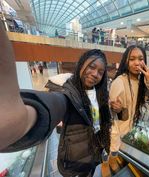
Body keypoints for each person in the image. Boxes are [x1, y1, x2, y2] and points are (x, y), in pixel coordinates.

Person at [0, 23, 112, 177]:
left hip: (95, 154)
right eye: (91, 67)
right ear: (81, 65)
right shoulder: (68, 92)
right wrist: (28, 117)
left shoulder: (99, 93)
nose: (95, 74)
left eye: (100, 72)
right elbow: (56, 103)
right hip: (74, 161)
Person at [103, 45, 149, 174]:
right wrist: (115, 108)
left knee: (116, 147)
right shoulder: (120, 81)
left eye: (140, 59)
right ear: (125, 61)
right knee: (111, 147)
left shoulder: (143, 82)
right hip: (115, 126)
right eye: (132, 59)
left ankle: (112, 159)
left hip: (127, 126)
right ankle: (105, 164)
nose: (137, 63)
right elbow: (109, 115)